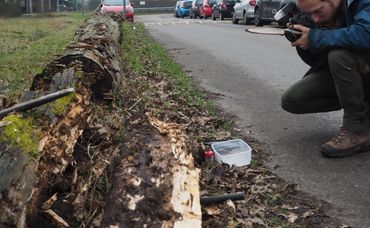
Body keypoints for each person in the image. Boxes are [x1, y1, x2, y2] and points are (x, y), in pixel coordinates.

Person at [281, 0, 370, 158]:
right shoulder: (325, 17)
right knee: (293, 100)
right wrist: (305, 39)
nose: (314, 19)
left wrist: (317, 38)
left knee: (339, 56)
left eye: (317, 11)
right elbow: (320, 62)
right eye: (309, 14)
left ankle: (357, 130)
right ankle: (363, 112)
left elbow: (366, 34)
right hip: (357, 69)